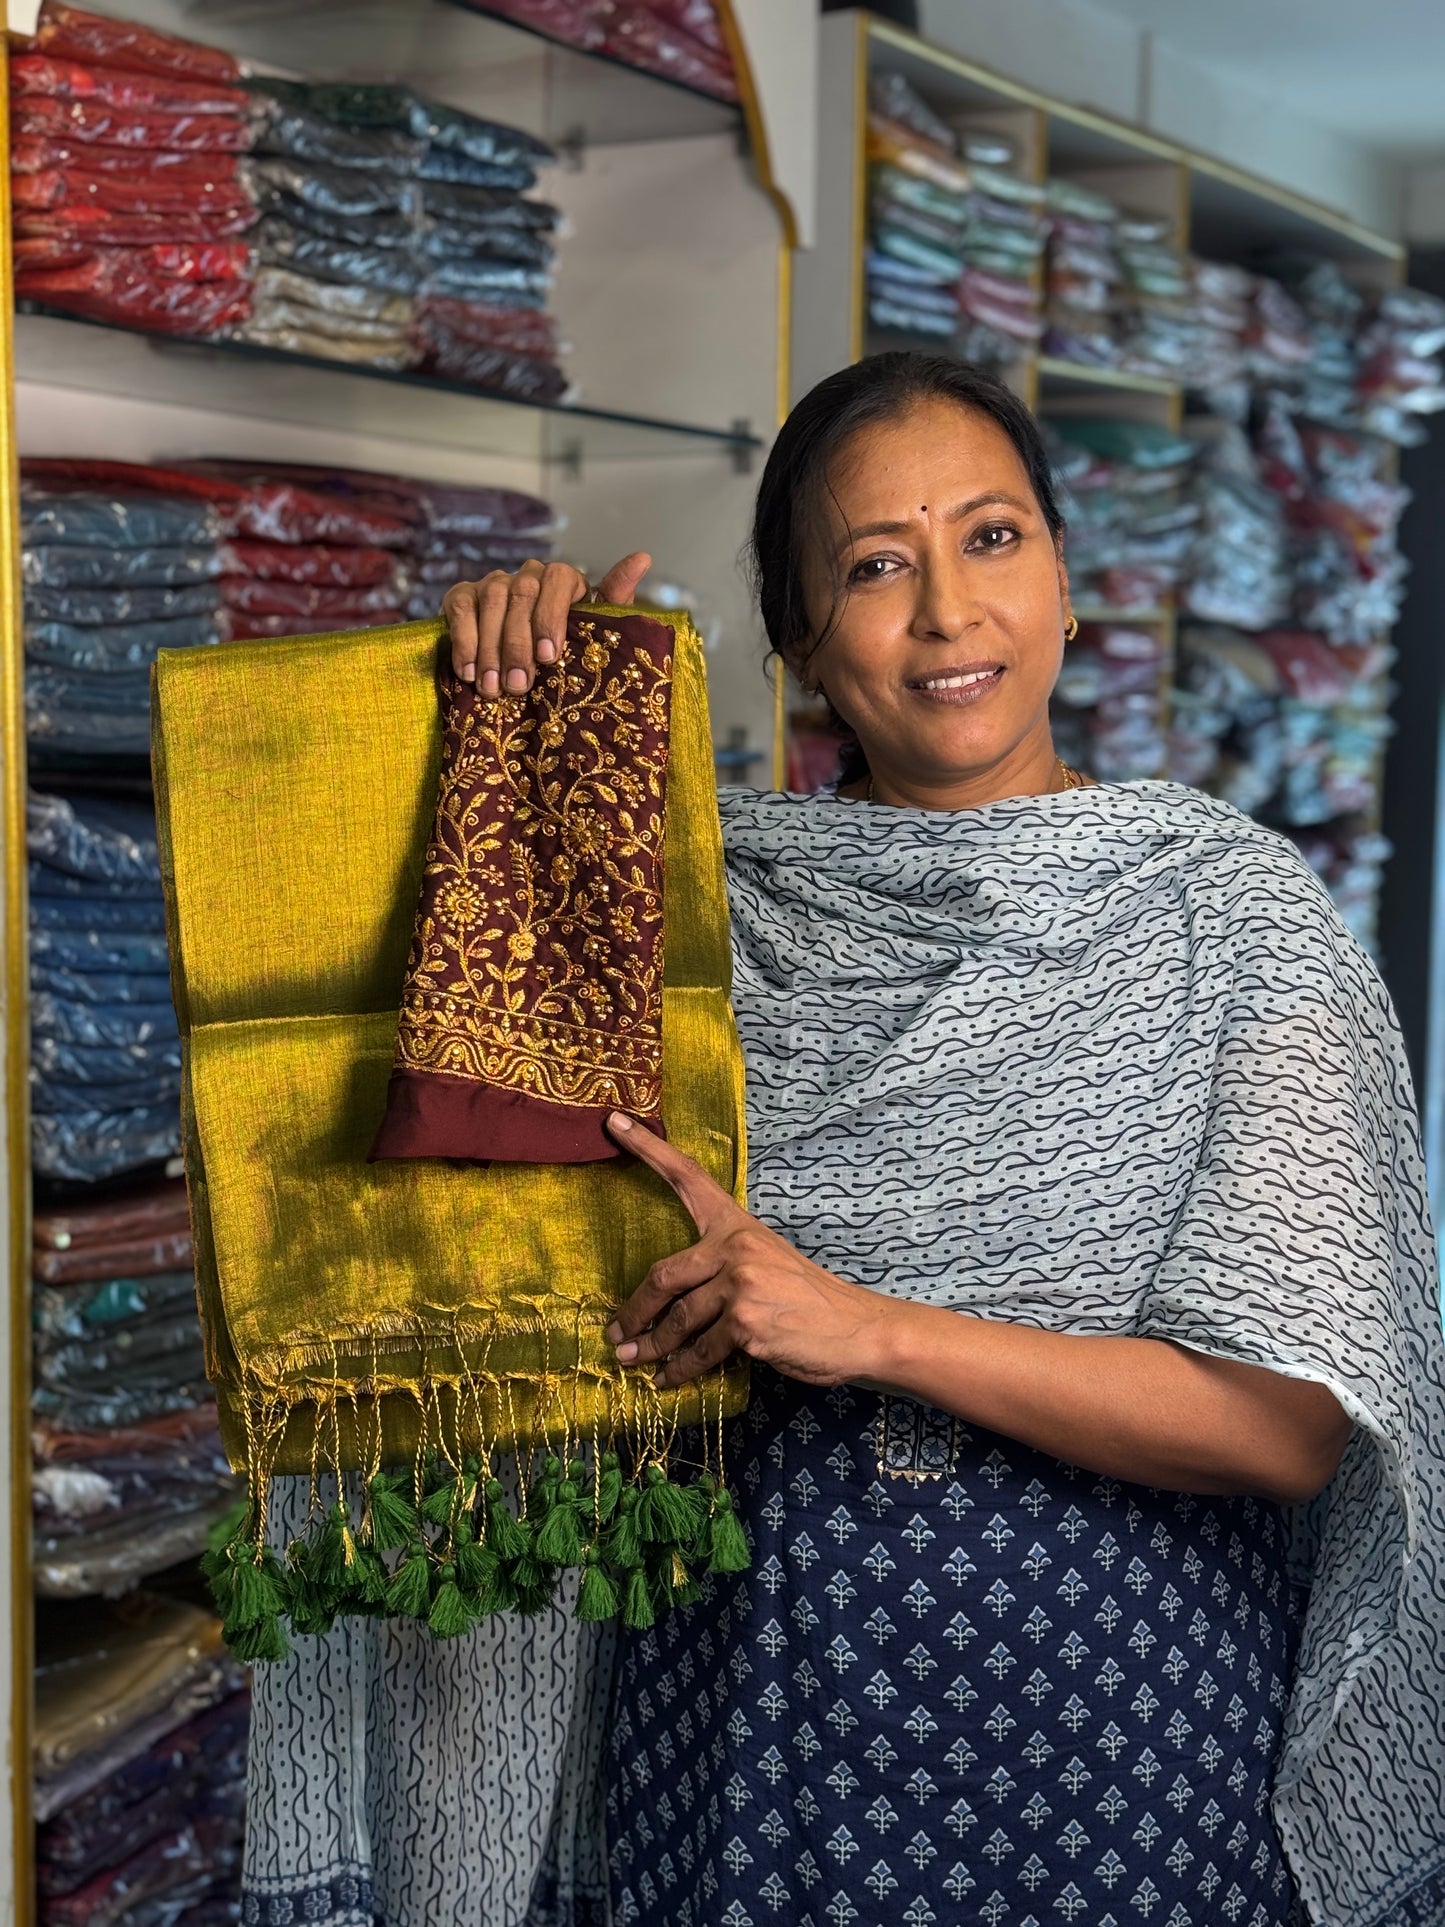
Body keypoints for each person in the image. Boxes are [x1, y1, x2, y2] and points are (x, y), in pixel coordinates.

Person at [244, 353, 1445, 1927]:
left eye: (993, 538)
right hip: (745, 1710)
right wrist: (504, 716)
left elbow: (1286, 1424)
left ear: (1069, 585)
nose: (947, 611)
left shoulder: (1229, 918)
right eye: (876, 566)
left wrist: (863, 1330)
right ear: (804, 643)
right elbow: (400, 1127)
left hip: (1119, 1741)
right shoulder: (680, 912)